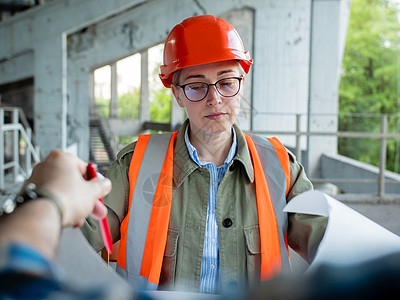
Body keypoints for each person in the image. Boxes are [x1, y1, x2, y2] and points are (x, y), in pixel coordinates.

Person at [81, 15, 328, 294]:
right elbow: (82, 235)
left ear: (241, 84)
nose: (215, 99)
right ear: (177, 94)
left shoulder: (280, 167)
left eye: (226, 83)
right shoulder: (135, 165)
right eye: (197, 86)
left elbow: (329, 241)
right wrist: (48, 202)